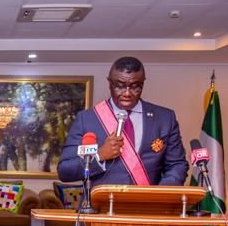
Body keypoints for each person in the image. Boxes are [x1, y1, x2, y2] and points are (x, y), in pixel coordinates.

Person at [58, 56, 188, 188]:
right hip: (101, 205)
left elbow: (177, 165)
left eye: (134, 87)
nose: (127, 93)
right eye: (120, 86)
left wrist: (160, 196)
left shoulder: (165, 118)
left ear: (143, 84)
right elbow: (65, 171)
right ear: (110, 83)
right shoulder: (86, 119)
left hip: (149, 205)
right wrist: (99, 155)